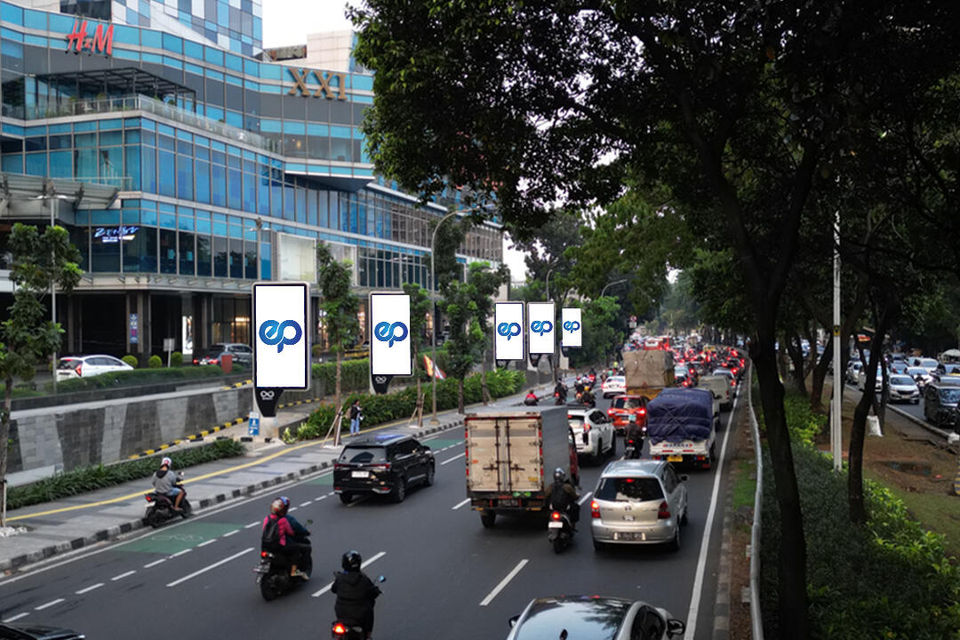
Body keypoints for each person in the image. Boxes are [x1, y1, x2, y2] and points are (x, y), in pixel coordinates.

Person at [332, 550, 382, 640]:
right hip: (359, 615)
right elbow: (373, 593)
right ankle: (368, 635)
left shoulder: (340, 578)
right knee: (369, 609)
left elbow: (333, 589)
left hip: (341, 612)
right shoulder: (364, 579)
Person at [261, 496, 311, 578]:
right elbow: (290, 532)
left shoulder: (267, 518)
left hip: (265, 546)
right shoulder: (284, 520)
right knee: (296, 551)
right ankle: (294, 571)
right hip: (279, 546)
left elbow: (264, 529)